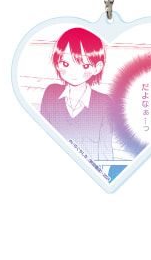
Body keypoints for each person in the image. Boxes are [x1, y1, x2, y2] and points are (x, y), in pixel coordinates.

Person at [40, 27, 113, 163]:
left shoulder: (104, 103)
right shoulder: (51, 93)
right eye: (65, 63)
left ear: (97, 68)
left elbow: (106, 151)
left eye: (85, 66)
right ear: (57, 64)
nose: (73, 72)